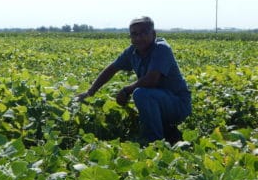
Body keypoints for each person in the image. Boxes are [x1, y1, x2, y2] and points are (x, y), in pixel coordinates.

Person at [77, 16, 191, 145]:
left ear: (153, 34)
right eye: (134, 34)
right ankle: (167, 131)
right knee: (143, 94)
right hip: (159, 100)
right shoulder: (133, 51)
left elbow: (152, 79)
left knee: (141, 93)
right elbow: (112, 69)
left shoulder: (161, 49)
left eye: (143, 33)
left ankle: (153, 141)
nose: (138, 38)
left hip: (178, 105)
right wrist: (90, 92)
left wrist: (126, 90)